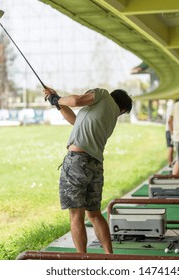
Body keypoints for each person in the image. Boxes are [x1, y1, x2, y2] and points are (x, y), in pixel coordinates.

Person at [43, 86, 132, 254]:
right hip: (95, 165)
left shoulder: (104, 94)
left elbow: (77, 100)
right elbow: (75, 121)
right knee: (94, 214)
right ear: (122, 108)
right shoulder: (108, 115)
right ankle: (109, 255)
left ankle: (82, 260)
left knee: (76, 215)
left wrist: (58, 99)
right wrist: (56, 100)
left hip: (77, 161)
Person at [165, 99, 175, 167]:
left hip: (169, 130)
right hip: (170, 130)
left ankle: (170, 163)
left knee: (171, 147)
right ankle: (170, 163)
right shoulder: (172, 108)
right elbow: (169, 122)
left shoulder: (169, 108)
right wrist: (172, 133)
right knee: (171, 147)